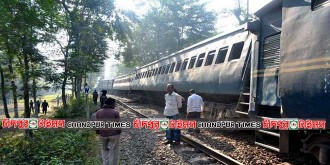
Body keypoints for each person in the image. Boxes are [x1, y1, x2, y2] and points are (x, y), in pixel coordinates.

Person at [92, 98, 121, 165]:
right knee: (113, 151)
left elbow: (95, 122)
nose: (115, 105)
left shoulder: (98, 112)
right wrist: (118, 132)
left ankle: (105, 163)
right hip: (114, 135)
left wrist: (97, 131)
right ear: (112, 104)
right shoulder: (115, 112)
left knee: (104, 149)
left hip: (102, 135)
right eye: (114, 103)